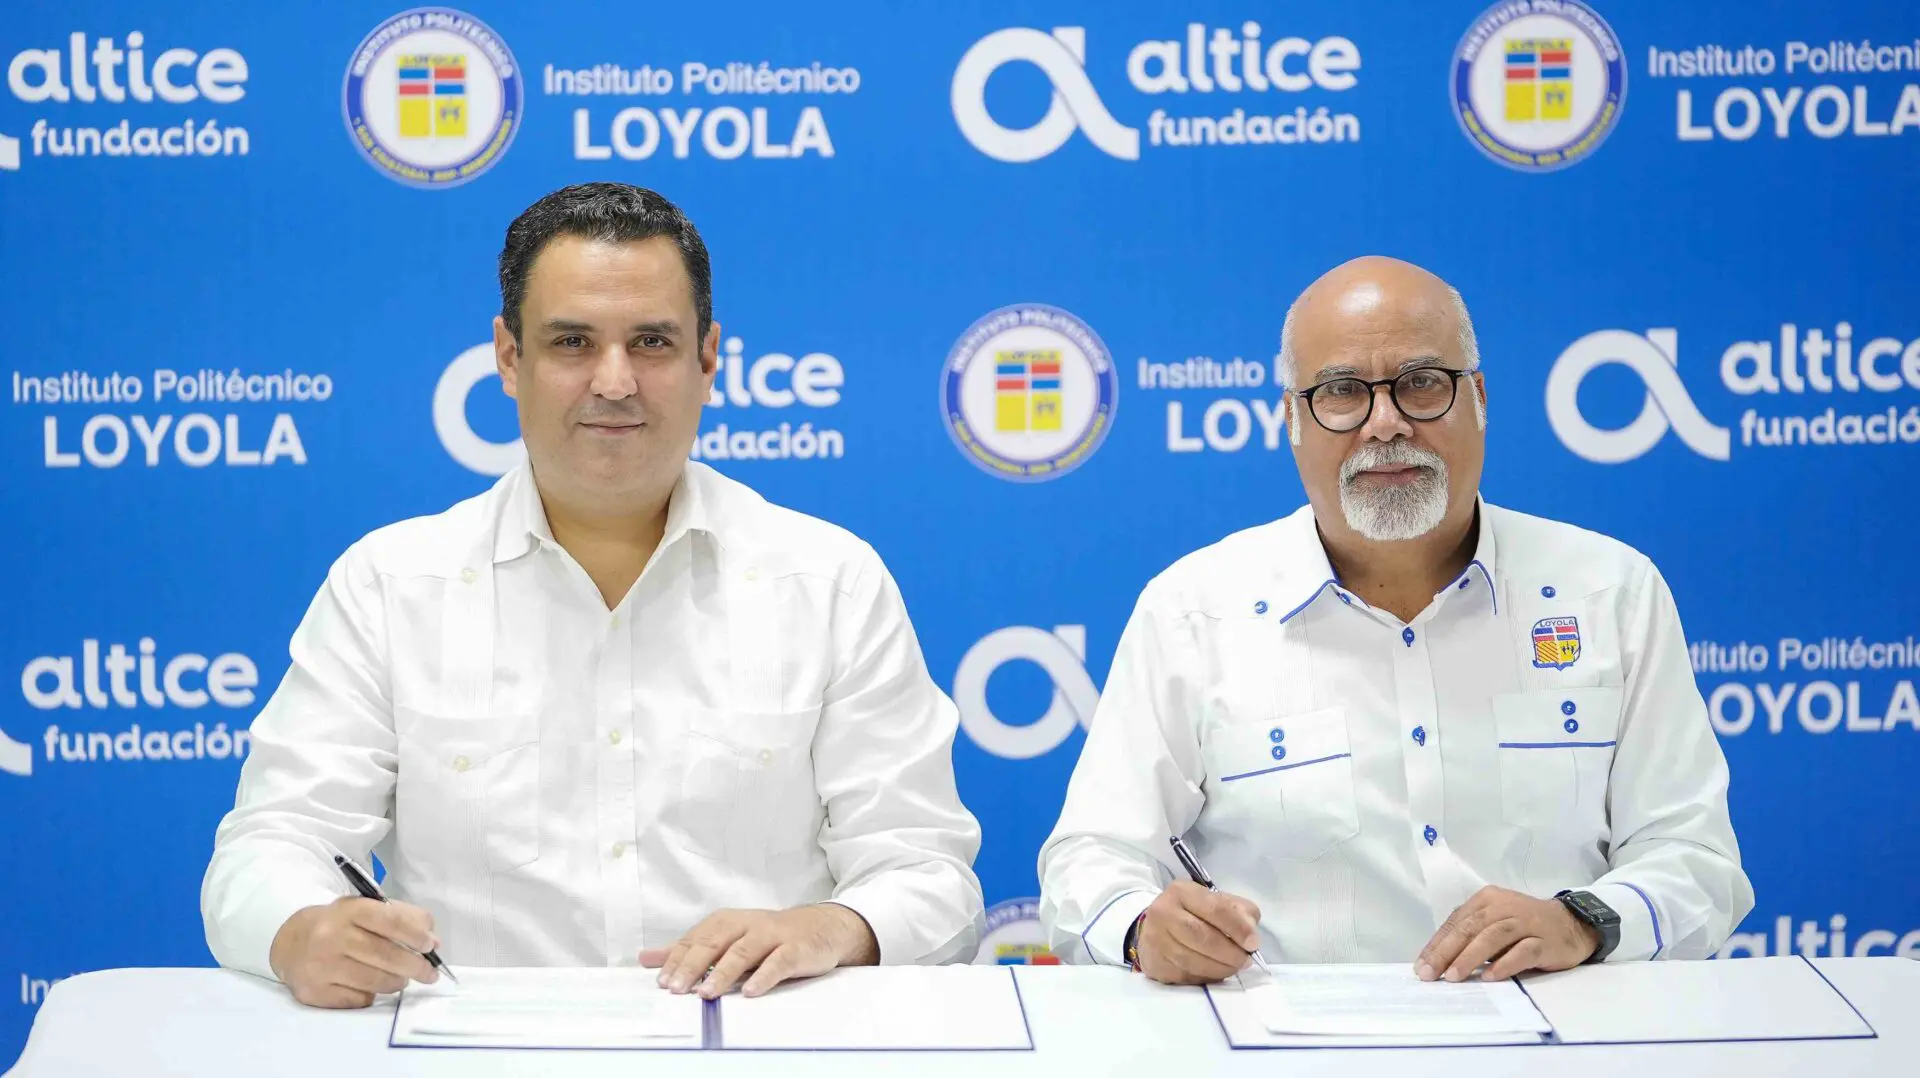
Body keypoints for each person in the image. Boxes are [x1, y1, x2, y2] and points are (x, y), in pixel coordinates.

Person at [203, 182, 983, 1007]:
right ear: (509, 358)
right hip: (477, 1059)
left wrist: (831, 928)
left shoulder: (828, 582)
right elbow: (271, 844)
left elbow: (927, 875)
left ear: (708, 359)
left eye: (651, 342)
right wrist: (299, 931)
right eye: (572, 342)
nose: (614, 382)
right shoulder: (391, 585)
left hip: (753, 1050)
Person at [1038, 256, 1752, 985]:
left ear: (1477, 397)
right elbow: (1090, 858)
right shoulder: (1195, 612)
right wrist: (1142, 929)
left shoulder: (1608, 592)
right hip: (1288, 1050)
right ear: (1291, 418)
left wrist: (1582, 921)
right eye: (1342, 392)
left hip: (1558, 1040)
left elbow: (1695, 858)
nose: (1386, 424)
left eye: (1420, 384)